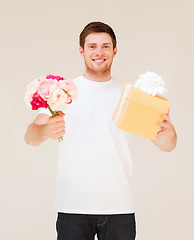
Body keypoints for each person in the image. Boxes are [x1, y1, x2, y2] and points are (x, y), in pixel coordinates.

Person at [24, 21, 177, 240]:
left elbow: (166, 144)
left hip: (119, 208)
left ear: (115, 51)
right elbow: (30, 136)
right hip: (73, 207)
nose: (99, 52)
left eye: (105, 46)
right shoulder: (63, 92)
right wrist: (46, 130)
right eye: (92, 46)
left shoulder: (130, 95)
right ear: (81, 51)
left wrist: (169, 133)